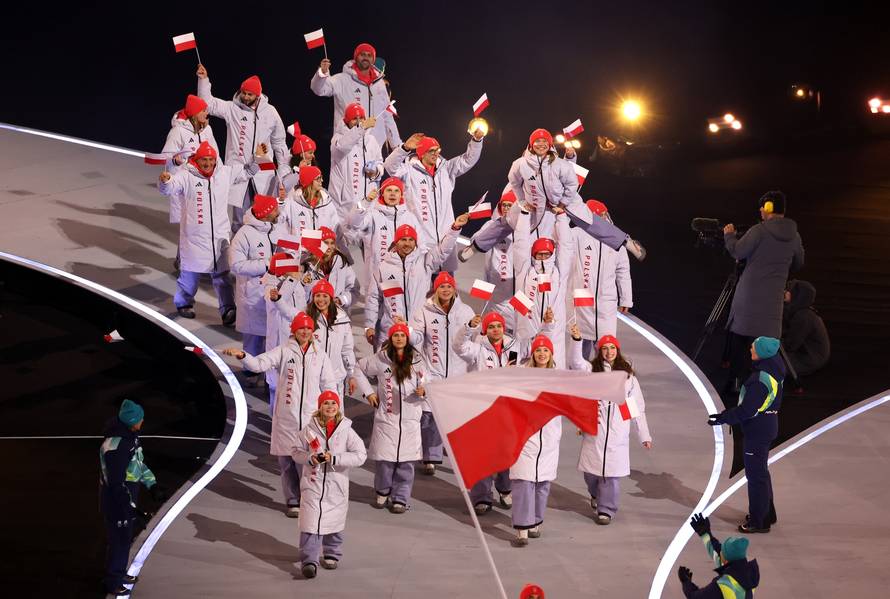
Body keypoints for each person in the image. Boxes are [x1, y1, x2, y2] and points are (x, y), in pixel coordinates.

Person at [459, 128, 646, 263]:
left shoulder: (559, 164)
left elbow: (572, 183)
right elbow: (513, 181)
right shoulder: (521, 164)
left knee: (591, 222)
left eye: (544, 142)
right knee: (505, 222)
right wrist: (522, 200)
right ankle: (474, 247)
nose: (541, 144)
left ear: (549, 144)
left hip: (562, 201)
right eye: (537, 141)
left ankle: (628, 242)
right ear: (531, 144)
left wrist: (563, 204)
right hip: (534, 202)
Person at [223, 312, 337, 517]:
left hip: (310, 420)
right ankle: (292, 501)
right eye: (301, 328)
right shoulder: (284, 351)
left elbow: (329, 385)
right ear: (294, 330)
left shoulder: (320, 355)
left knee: (308, 463)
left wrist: (332, 412)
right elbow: (260, 364)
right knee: (287, 463)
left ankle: (309, 500)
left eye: (308, 328)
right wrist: (243, 356)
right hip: (286, 418)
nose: (305, 331)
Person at [453, 311, 551, 513]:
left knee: (508, 452)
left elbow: (538, 344)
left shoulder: (515, 346)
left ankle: (505, 489)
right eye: (491, 327)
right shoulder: (478, 349)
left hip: (509, 410)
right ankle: (482, 496)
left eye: (498, 326)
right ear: (485, 330)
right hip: (484, 409)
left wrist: (547, 325)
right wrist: (469, 327)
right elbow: (458, 346)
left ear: (503, 328)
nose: (496, 330)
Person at [158, 141, 261, 324]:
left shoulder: (224, 173)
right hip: (194, 238)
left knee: (222, 275)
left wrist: (258, 158)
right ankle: (184, 303)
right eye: (204, 160)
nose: (208, 163)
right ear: (197, 160)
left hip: (219, 237)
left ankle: (228, 309)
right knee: (190, 274)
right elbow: (169, 187)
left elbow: (247, 171)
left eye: (211, 159)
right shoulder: (186, 175)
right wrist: (165, 181)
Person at [568, 329, 652, 524]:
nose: (609, 352)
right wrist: (577, 340)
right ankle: (595, 494)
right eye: (604, 348)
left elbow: (636, 408)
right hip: (595, 430)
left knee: (611, 475)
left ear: (617, 350)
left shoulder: (628, 377)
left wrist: (644, 436)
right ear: (599, 351)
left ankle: (606, 509)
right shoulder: (592, 371)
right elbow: (576, 362)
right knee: (591, 473)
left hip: (617, 432)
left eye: (612, 348)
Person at [723, 190, 805, 388]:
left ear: (768, 207)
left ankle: (736, 384)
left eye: (762, 207)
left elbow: (738, 251)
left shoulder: (759, 231)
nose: (760, 210)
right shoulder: (794, 236)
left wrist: (729, 236)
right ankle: (766, 385)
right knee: (766, 343)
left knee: (741, 337)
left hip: (749, 296)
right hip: (773, 300)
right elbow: (799, 262)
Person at [708, 336, 784, 533]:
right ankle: (766, 514)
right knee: (761, 472)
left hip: (757, 430)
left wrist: (724, 418)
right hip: (767, 425)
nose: (750, 349)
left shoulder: (760, 380)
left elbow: (747, 410)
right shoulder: (774, 370)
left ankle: (759, 521)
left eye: (753, 348)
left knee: (756, 476)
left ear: (762, 353)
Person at [384, 130, 484, 271]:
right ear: (422, 153)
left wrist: (476, 141)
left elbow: (468, 160)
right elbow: (389, 167)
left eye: (438, 150)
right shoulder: (408, 171)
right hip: (421, 239)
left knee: (446, 281)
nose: (436, 153)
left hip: (446, 238)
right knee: (421, 279)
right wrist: (404, 148)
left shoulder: (446, 168)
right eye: (431, 151)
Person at [196, 64, 290, 214]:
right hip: (239, 171)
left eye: (249, 94)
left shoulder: (271, 112)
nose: (245, 97)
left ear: (258, 95)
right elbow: (208, 104)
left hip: (263, 172)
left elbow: (279, 143)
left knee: (264, 215)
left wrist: (283, 171)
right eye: (243, 93)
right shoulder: (232, 109)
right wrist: (203, 80)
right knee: (239, 218)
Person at [364, 214, 469, 349]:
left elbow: (443, 250)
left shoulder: (425, 262)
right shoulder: (383, 268)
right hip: (391, 330)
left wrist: (454, 229)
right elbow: (373, 298)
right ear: (396, 242)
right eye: (403, 239)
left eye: (411, 240)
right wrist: (369, 326)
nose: (407, 243)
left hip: (417, 330)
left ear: (415, 242)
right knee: (387, 362)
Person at [353, 323, 426, 514]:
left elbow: (428, 380)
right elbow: (358, 368)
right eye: (396, 335)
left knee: (406, 463)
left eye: (402, 335)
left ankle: (401, 498)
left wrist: (424, 390)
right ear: (391, 338)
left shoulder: (418, 360)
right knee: (385, 461)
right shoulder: (381, 359)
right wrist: (369, 393)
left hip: (410, 418)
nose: (399, 338)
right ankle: (383, 491)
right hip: (387, 418)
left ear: (407, 339)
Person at [293, 390, 367, 579]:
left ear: (338, 406)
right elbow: (295, 452)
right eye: (326, 403)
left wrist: (335, 458)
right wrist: (310, 458)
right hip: (313, 484)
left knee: (334, 520)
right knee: (310, 522)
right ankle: (309, 561)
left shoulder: (346, 430)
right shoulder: (308, 430)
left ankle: (332, 553)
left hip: (336, 485)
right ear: (319, 407)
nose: (330, 407)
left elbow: (360, 455)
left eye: (333, 403)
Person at [408, 271, 475, 475]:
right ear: (435, 289)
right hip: (433, 371)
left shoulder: (466, 311)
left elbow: (475, 339)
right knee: (430, 416)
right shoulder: (424, 311)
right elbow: (417, 338)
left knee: (456, 417)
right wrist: (407, 331)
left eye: (449, 286)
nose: (445, 290)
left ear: (454, 288)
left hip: (458, 372)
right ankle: (431, 456)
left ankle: (458, 454)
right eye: (441, 287)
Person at [99, 399, 164, 596]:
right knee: (118, 540)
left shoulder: (130, 438)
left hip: (127, 496)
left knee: (125, 538)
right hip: (117, 501)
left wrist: (152, 484)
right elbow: (115, 484)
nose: (143, 421)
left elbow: (137, 464)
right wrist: (130, 508)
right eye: (140, 418)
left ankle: (119, 573)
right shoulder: (116, 447)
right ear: (133, 421)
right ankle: (113, 581)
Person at [510, 334, 561, 547]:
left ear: (551, 354)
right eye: (538, 350)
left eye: (545, 350)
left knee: (542, 483)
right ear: (532, 354)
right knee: (523, 481)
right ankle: (522, 528)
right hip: (525, 437)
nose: (541, 354)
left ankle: (535, 521)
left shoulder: (558, 379)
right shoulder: (522, 375)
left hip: (549, 439)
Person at [566, 199, 633, 356]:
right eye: (599, 216)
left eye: (604, 215)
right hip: (582, 296)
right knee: (580, 342)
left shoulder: (616, 237)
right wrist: (565, 215)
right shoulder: (577, 234)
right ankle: (578, 369)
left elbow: (623, 270)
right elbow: (560, 237)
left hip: (606, 300)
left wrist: (626, 299)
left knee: (606, 345)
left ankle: (603, 370)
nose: (603, 218)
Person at [229, 194, 280, 384]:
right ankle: (250, 374)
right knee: (253, 340)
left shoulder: (276, 228)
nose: (278, 212)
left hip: (274, 295)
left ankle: (269, 378)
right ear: (266, 213)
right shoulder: (244, 235)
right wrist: (267, 264)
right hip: (252, 296)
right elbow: (236, 265)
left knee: (272, 338)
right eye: (275, 209)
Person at [310, 43, 401, 149]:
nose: (366, 57)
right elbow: (319, 89)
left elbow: (387, 116)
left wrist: (397, 146)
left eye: (369, 55)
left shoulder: (379, 84)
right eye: (362, 54)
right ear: (356, 57)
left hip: (374, 148)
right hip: (348, 145)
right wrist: (322, 74)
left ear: (373, 59)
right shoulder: (342, 79)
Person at [513, 206, 573, 367]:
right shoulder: (525, 273)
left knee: (554, 373)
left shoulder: (559, 274)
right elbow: (520, 245)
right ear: (533, 255)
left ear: (552, 254)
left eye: (547, 254)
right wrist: (524, 215)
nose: (543, 257)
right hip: (526, 334)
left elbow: (566, 247)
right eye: (540, 254)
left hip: (553, 334)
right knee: (521, 373)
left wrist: (561, 217)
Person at [346, 177, 425, 292]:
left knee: (395, 301)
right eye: (389, 190)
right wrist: (366, 201)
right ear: (382, 194)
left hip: (403, 277)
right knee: (375, 302)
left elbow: (421, 247)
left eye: (396, 191)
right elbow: (353, 222)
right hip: (376, 277)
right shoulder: (372, 215)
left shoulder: (410, 218)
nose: (392, 194)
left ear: (401, 195)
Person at [161, 94, 222, 236]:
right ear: (195, 113)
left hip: (206, 183)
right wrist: (175, 161)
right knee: (188, 222)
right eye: (203, 111)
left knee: (205, 220)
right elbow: (166, 156)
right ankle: (183, 250)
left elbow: (216, 155)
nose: (207, 114)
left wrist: (218, 177)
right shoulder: (178, 132)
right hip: (187, 183)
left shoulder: (207, 130)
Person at [679, 513, 760, 598]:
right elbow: (718, 553)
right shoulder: (748, 574)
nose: (720, 553)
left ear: (726, 560)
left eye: (723, 552)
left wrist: (686, 582)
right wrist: (705, 534)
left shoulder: (723, 585)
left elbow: (694, 597)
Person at [328, 102, 384, 220]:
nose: (359, 121)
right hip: (344, 205)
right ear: (347, 121)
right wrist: (361, 128)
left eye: (362, 118)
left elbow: (380, 162)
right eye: (354, 118)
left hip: (369, 201)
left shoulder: (371, 140)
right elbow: (342, 146)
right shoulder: (338, 138)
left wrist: (375, 171)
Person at [303, 280, 357, 401]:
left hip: (335, 377)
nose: (321, 300)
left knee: (335, 411)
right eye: (317, 295)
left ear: (331, 298)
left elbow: (347, 349)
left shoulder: (342, 320)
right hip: (312, 378)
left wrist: (351, 374)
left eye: (325, 296)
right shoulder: (306, 317)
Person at [265, 253, 307, 406]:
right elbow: (279, 304)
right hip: (279, 341)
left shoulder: (295, 283)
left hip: (297, 338)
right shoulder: (270, 286)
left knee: (295, 384)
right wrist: (292, 280)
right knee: (276, 386)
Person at [479, 189, 518, 332]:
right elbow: (475, 241)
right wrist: (491, 234)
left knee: (514, 327)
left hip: (514, 286)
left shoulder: (523, 228)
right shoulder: (492, 225)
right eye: (504, 205)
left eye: (510, 205)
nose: (506, 208)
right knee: (491, 323)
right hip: (494, 282)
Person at [782, 279, 830, 381]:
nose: (785, 292)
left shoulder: (803, 317)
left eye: (789, 291)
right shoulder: (802, 313)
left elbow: (790, 345)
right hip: (806, 355)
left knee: (770, 364)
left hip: (808, 358)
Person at [299, 226, 356, 308]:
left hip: (335, 312)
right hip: (314, 311)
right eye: (325, 243)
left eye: (332, 243)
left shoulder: (342, 263)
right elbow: (300, 295)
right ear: (318, 244)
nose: (329, 247)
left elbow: (354, 290)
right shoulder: (308, 265)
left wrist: (340, 300)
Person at [279, 166, 340, 237]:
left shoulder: (326, 201)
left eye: (321, 177)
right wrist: (281, 202)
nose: (322, 180)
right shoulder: (292, 202)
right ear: (309, 181)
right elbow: (279, 222)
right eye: (318, 178)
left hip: (322, 243)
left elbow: (335, 226)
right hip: (300, 244)